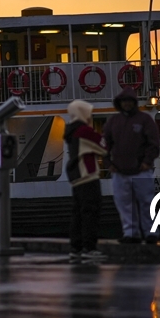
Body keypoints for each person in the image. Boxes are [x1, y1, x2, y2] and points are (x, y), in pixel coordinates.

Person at [102, 87, 160, 244]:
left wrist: (147, 162)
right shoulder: (113, 122)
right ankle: (130, 233)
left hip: (141, 171)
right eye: (124, 101)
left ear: (134, 103)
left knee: (146, 203)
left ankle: (151, 233)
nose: (126, 104)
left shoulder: (145, 120)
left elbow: (154, 143)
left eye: (129, 101)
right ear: (120, 103)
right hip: (119, 171)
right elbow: (105, 145)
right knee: (124, 205)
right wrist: (109, 164)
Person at [64, 100, 107, 261]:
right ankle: (90, 247)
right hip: (87, 175)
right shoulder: (84, 131)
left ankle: (76, 247)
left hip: (76, 177)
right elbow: (103, 147)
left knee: (77, 214)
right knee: (91, 212)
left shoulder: (71, 131)